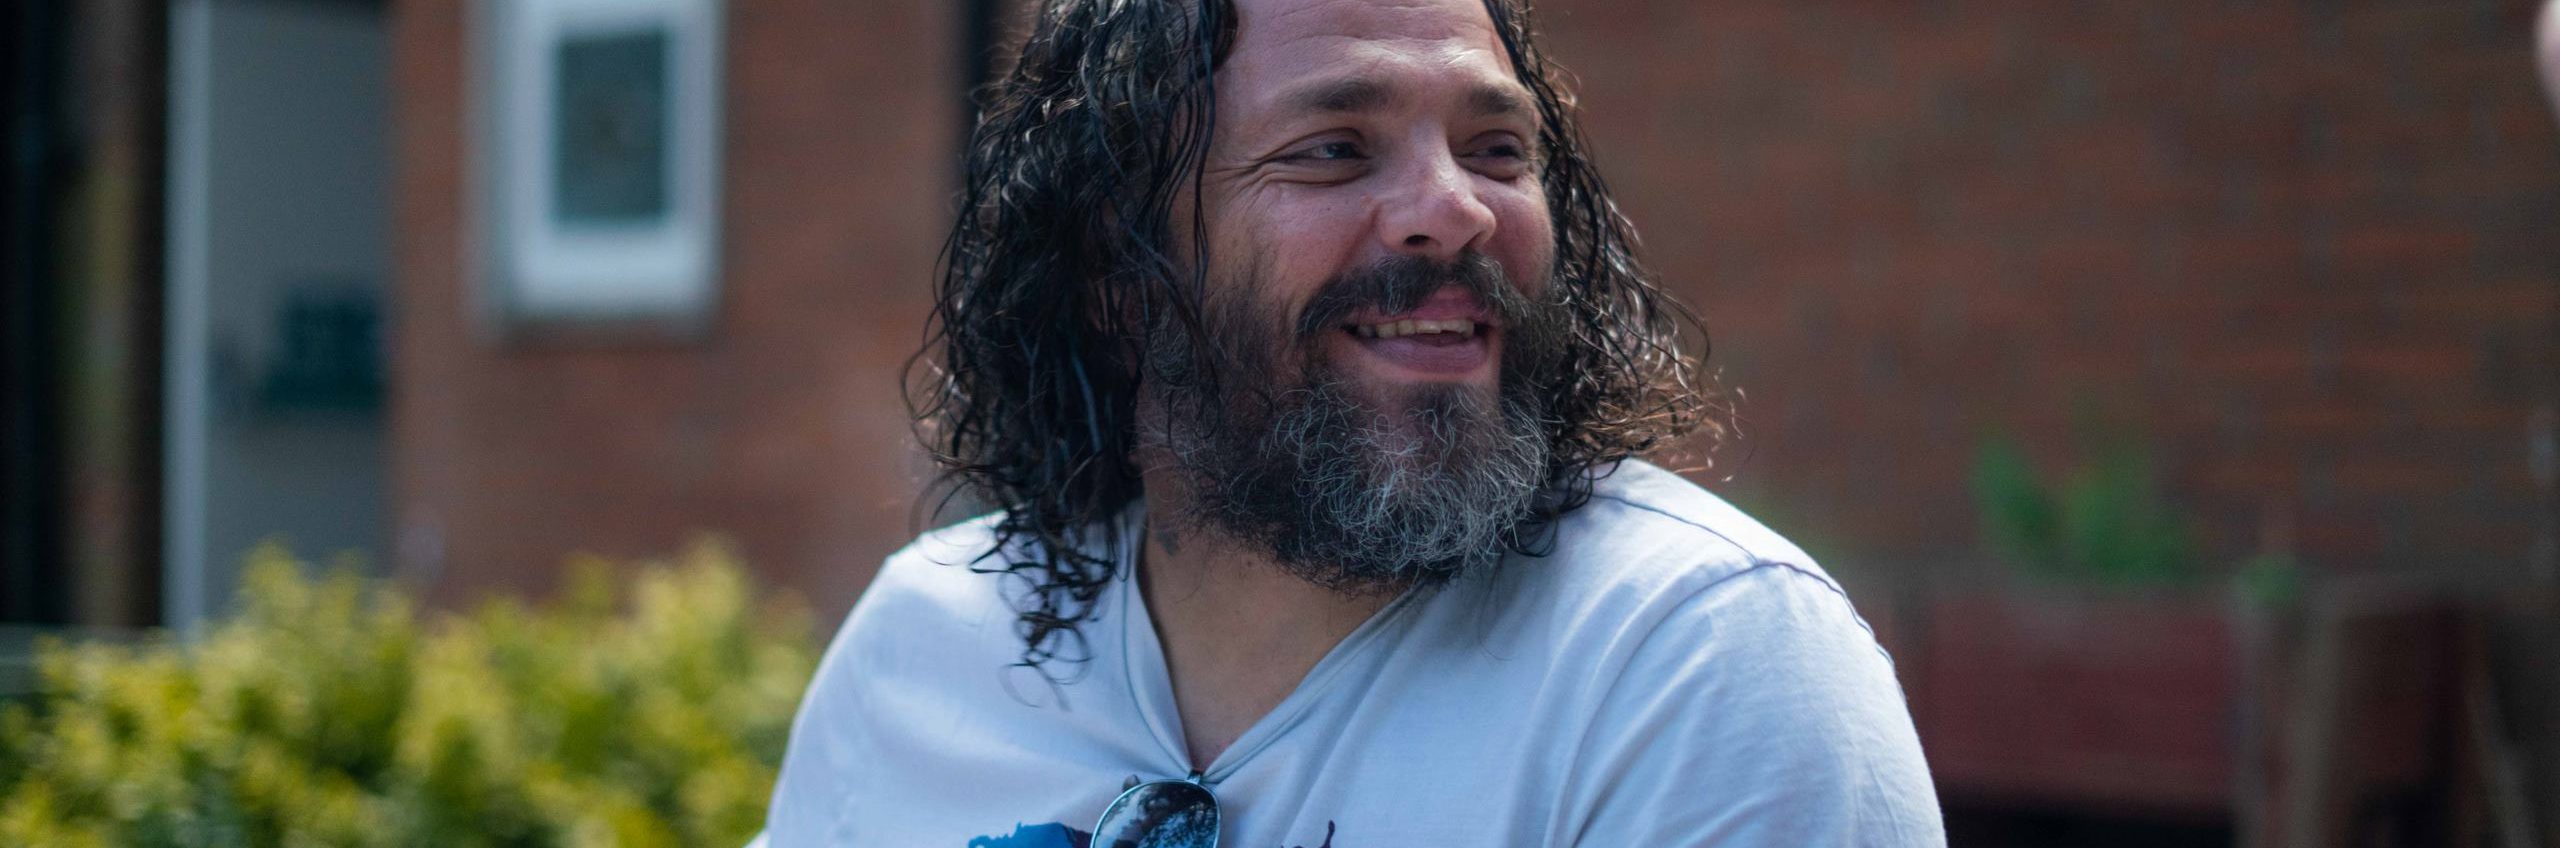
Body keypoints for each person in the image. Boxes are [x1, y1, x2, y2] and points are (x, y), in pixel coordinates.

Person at [755, 0, 1942, 844]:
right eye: (1333, 151)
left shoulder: (1689, 667)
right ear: (1117, 277)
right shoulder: (930, 645)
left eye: (1496, 149)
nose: (1453, 209)